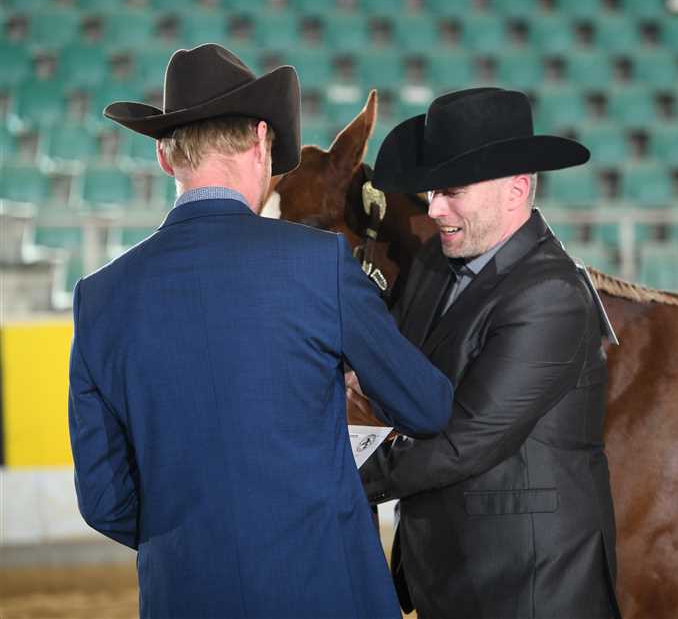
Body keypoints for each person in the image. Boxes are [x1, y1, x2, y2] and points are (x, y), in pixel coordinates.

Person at [68, 43, 453, 618]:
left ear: (165, 158)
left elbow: (103, 500)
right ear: (261, 142)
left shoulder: (98, 298)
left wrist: (193, 539)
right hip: (329, 592)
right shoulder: (320, 264)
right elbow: (426, 408)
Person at [360, 87, 621, 618]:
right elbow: (392, 374)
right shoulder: (433, 266)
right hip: (450, 578)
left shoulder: (551, 295)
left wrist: (333, 475)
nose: (434, 208)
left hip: (532, 587)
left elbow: (463, 440)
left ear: (516, 190)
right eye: (432, 190)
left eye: (452, 191)